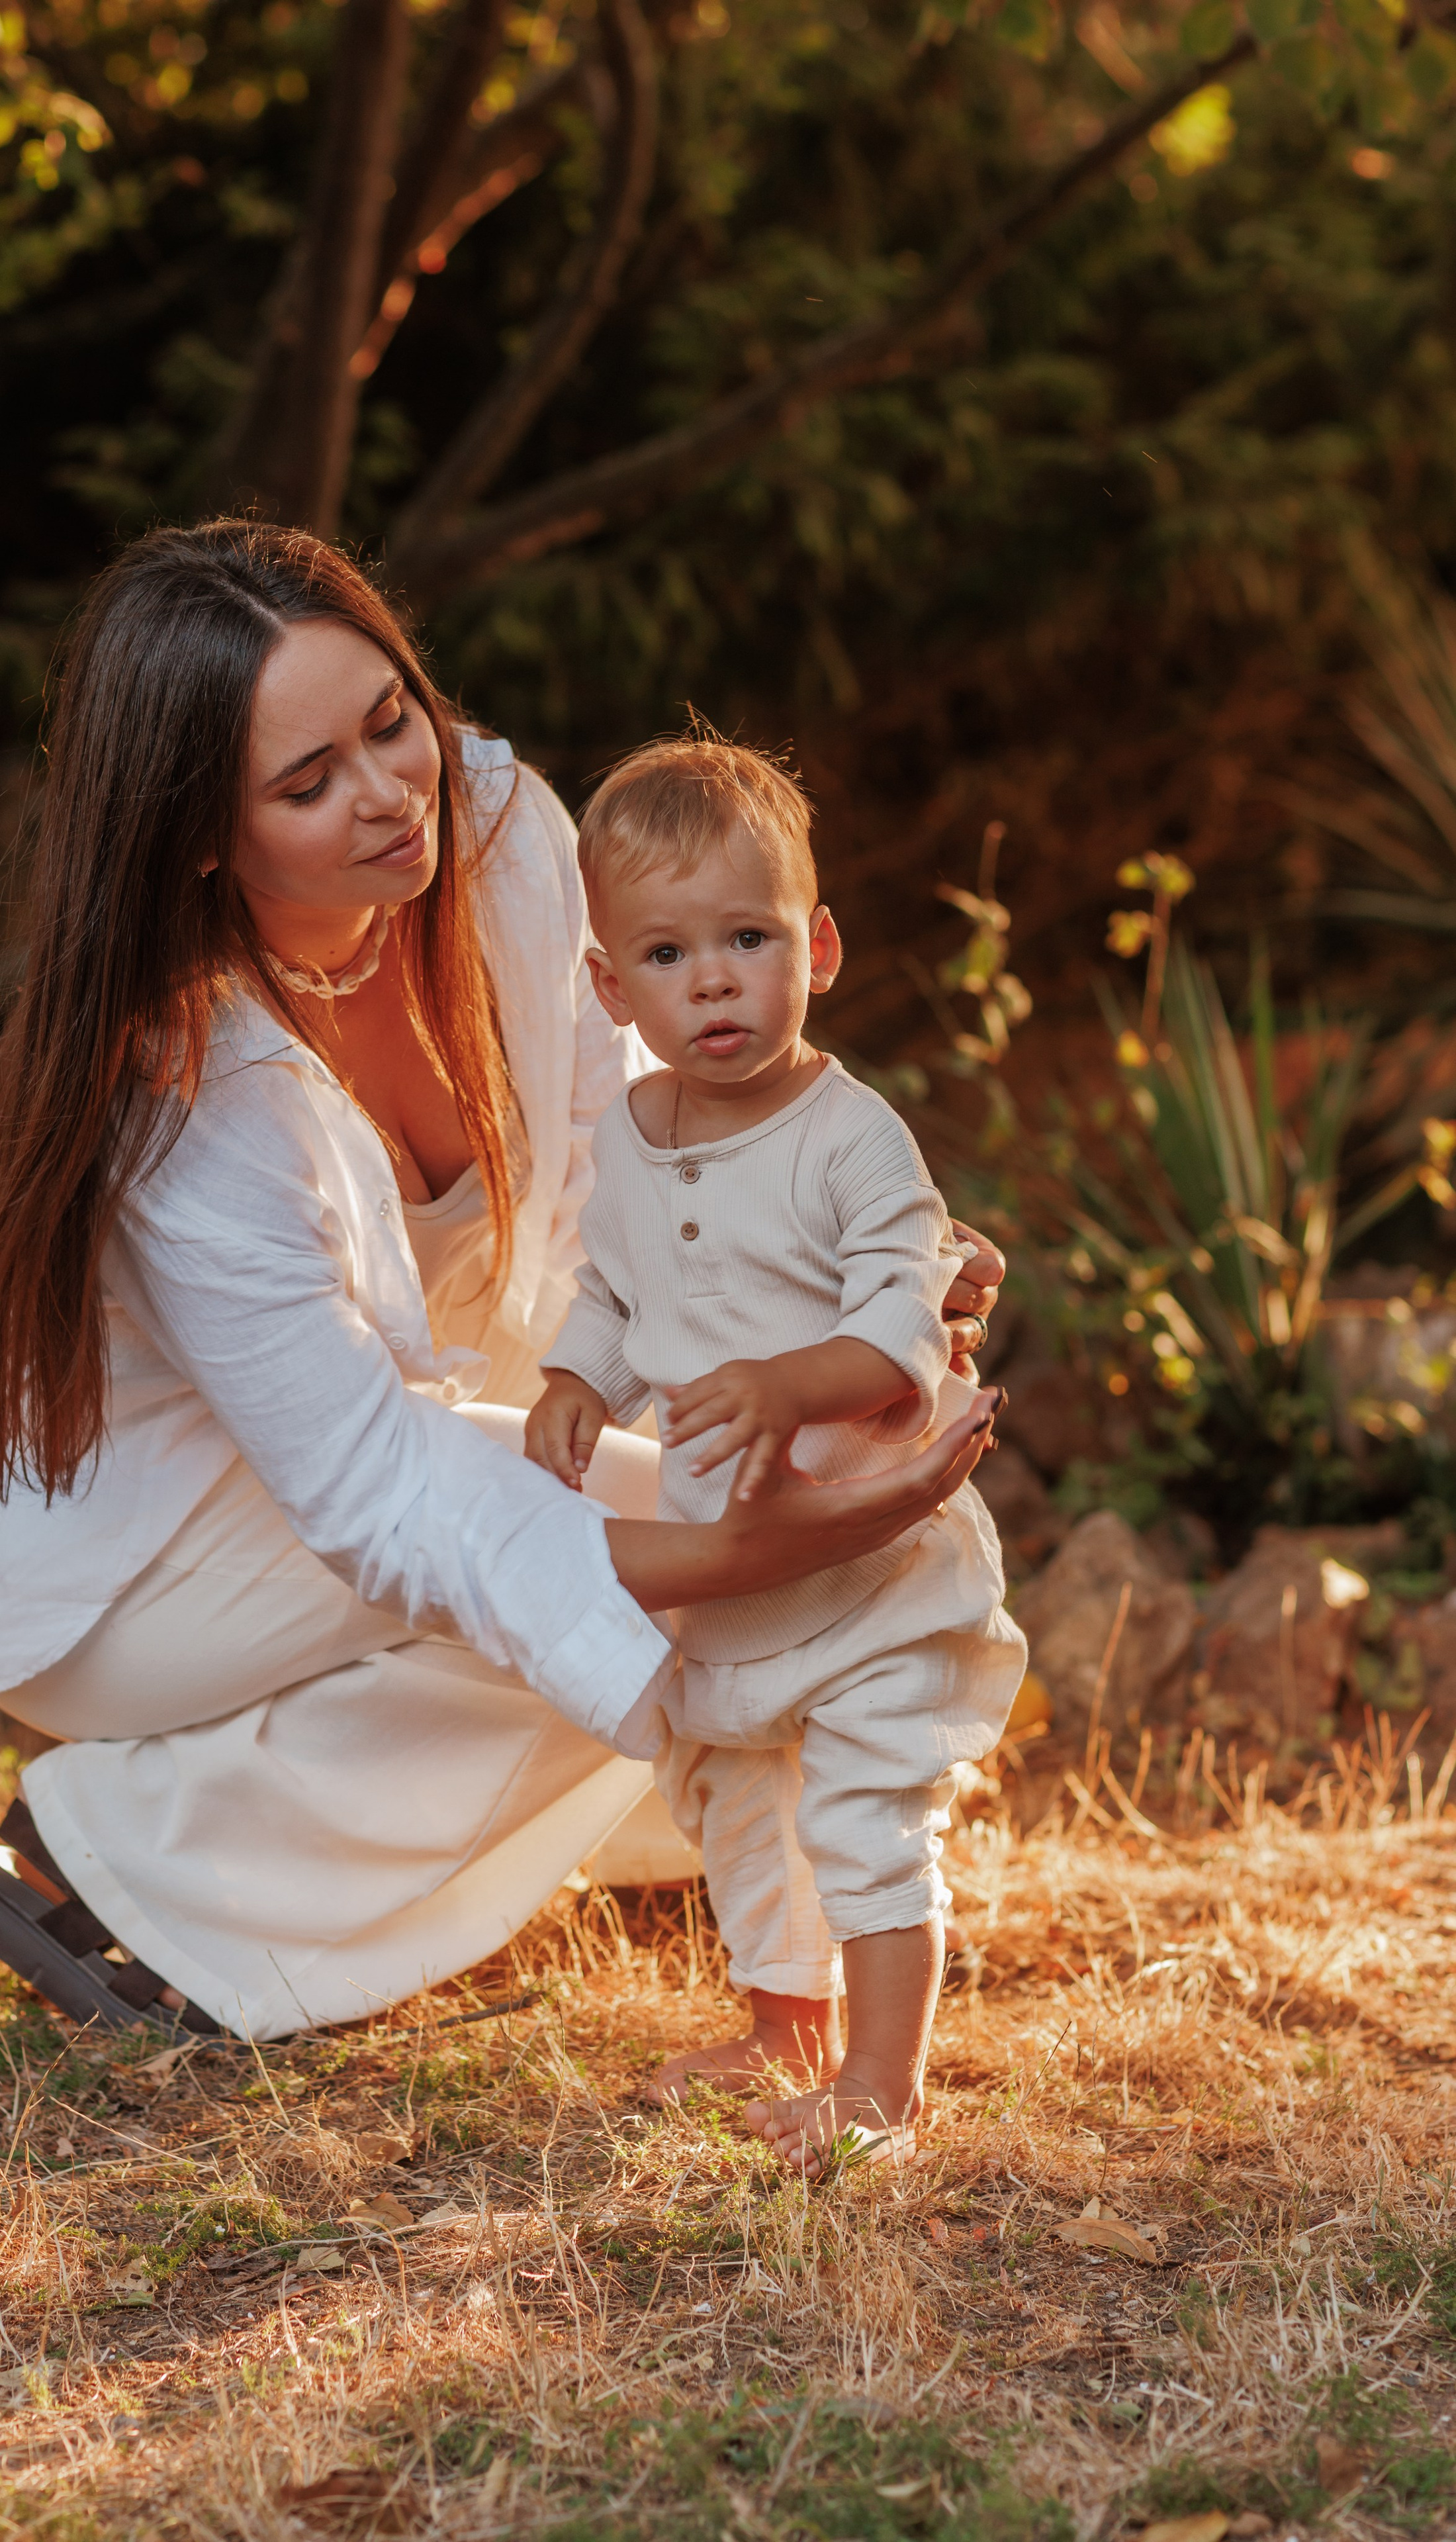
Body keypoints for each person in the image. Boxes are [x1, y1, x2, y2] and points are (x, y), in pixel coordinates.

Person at [0, 519, 1005, 2044]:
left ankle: (689, 1842)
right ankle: (122, 1875)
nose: (387, 795)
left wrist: (859, 1282)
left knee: (769, 1474)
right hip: (125, 1553)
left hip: (407, 1423)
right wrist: (753, 1545)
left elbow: (653, 1153)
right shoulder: (188, 1087)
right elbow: (384, 1497)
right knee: (688, 1556)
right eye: (307, 785)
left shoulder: (497, 831)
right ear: (199, 834)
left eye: (388, 722)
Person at [525, 735, 1025, 2170]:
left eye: (745, 940)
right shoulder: (628, 1132)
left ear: (814, 945)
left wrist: (776, 1379)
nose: (714, 982)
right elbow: (624, 1293)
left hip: (867, 1550)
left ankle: (879, 2080)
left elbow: (904, 1323)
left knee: (863, 1812)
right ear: (616, 991)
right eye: (668, 955)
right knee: (731, 1797)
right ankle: (780, 2022)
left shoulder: (851, 1140)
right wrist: (576, 1376)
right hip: (730, 1561)